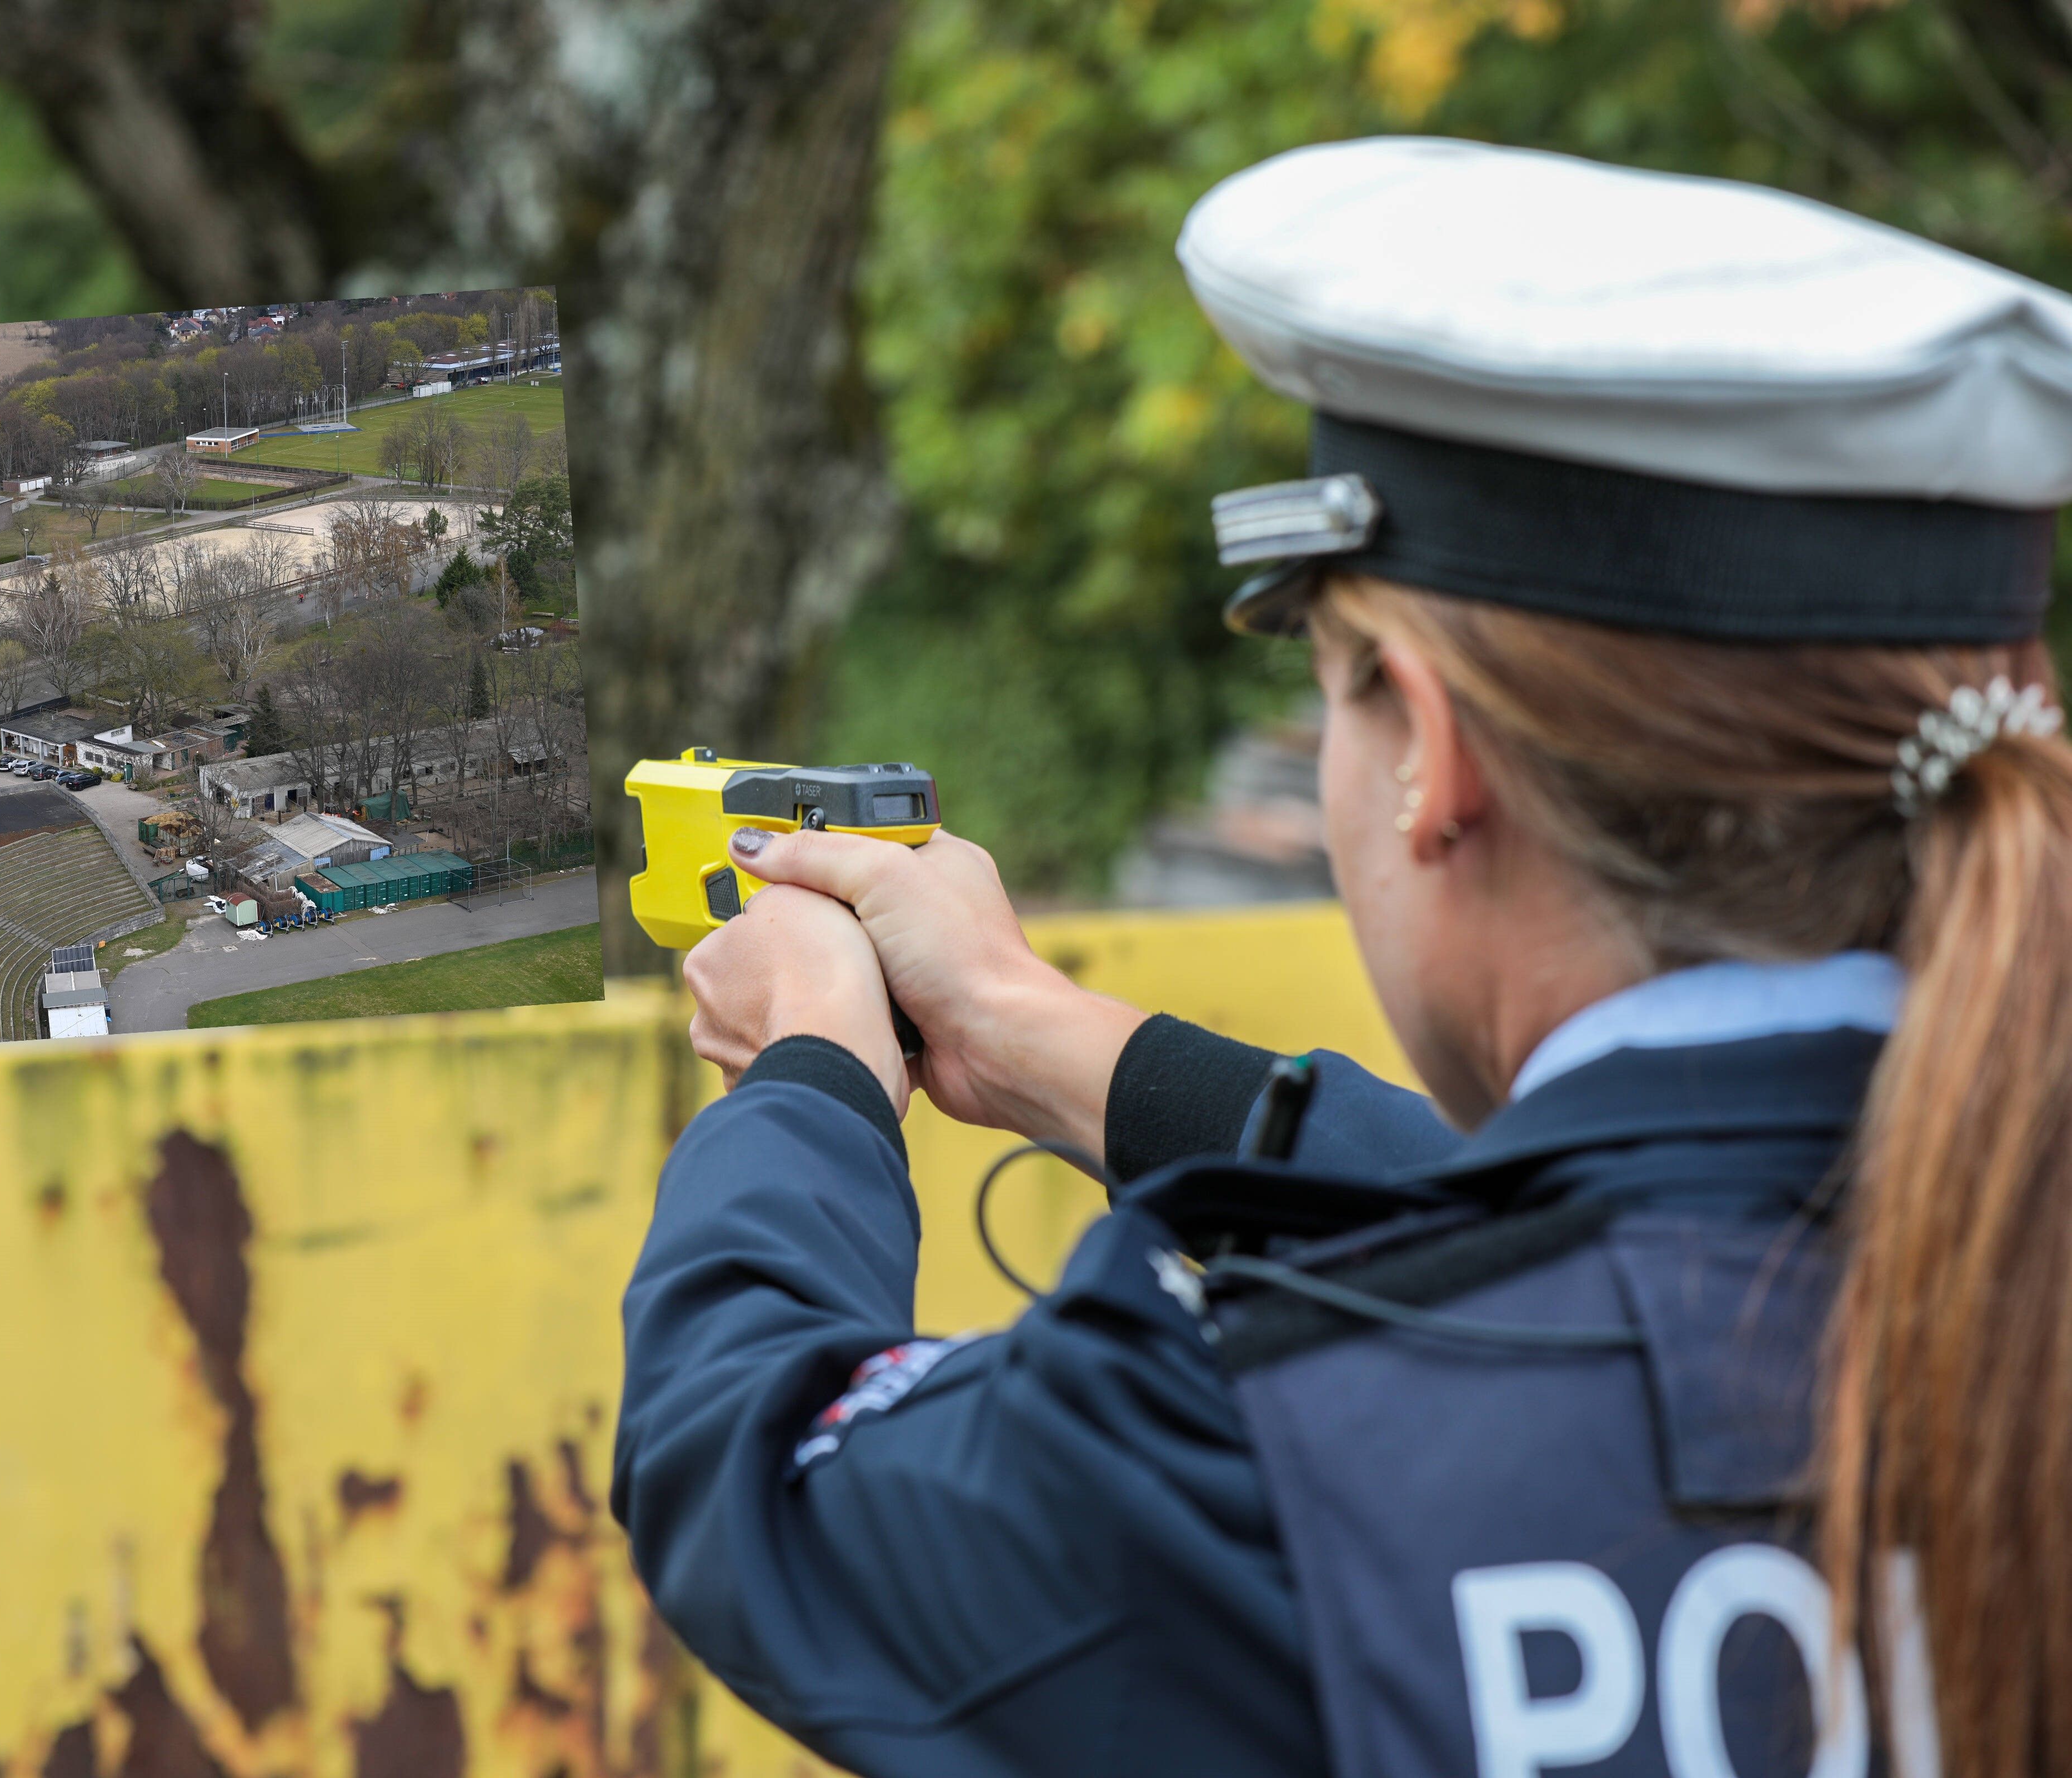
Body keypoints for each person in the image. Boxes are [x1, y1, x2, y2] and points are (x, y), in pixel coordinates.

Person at [610, 137, 2072, 1778]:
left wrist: (811, 1070)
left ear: (1429, 756)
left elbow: (761, 1477)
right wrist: (1040, 1035)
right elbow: (1635, 1219)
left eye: (1329, 685)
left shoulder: (1250, 1447)